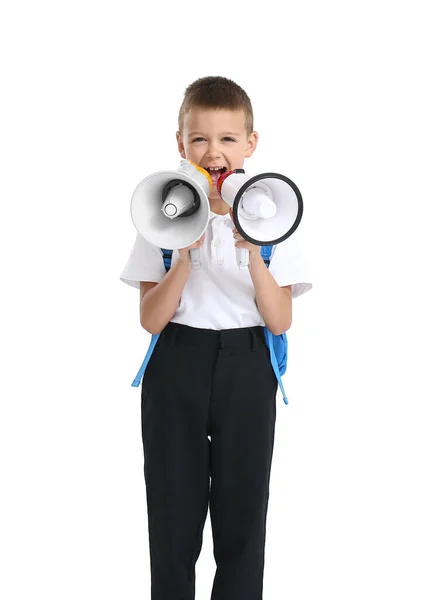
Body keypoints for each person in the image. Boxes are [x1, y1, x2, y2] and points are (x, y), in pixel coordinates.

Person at [120, 75, 312, 600]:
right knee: (172, 515)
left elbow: (279, 321)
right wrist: (183, 250)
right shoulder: (162, 211)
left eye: (228, 139)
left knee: (243, 516)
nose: (213, 151)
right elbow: (150, 320)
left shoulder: (273, 213)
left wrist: (252, 249)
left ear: (251, 145)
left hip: (247, 367)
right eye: (199, 139)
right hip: (177, 362)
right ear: (180, 144)